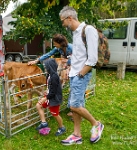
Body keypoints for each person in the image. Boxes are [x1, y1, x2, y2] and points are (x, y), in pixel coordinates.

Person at [59, 6, 104, 145]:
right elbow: (78, 56)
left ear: (69, 18)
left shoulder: (88, 30)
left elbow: (92, 58)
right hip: (74, 73)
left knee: (74, 105)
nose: (63, 24)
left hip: (81, 75)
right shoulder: (75, 33)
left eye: (63, 21)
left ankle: (96, 124)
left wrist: (80, 74)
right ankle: (77, 134)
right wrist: (69, 69)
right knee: (76, 106)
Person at [35, 58, 66, 136]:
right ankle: (44, 123)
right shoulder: (49, 75)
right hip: (49, 96)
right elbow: (51, 87)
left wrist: (45, 98)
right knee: (38, 105)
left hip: (54, 98)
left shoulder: (54, 77)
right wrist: (47, 90)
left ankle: (62, 127)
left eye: (46, 67)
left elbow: (54, 91)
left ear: (50, 67)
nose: (45, 68)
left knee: (55, 114)